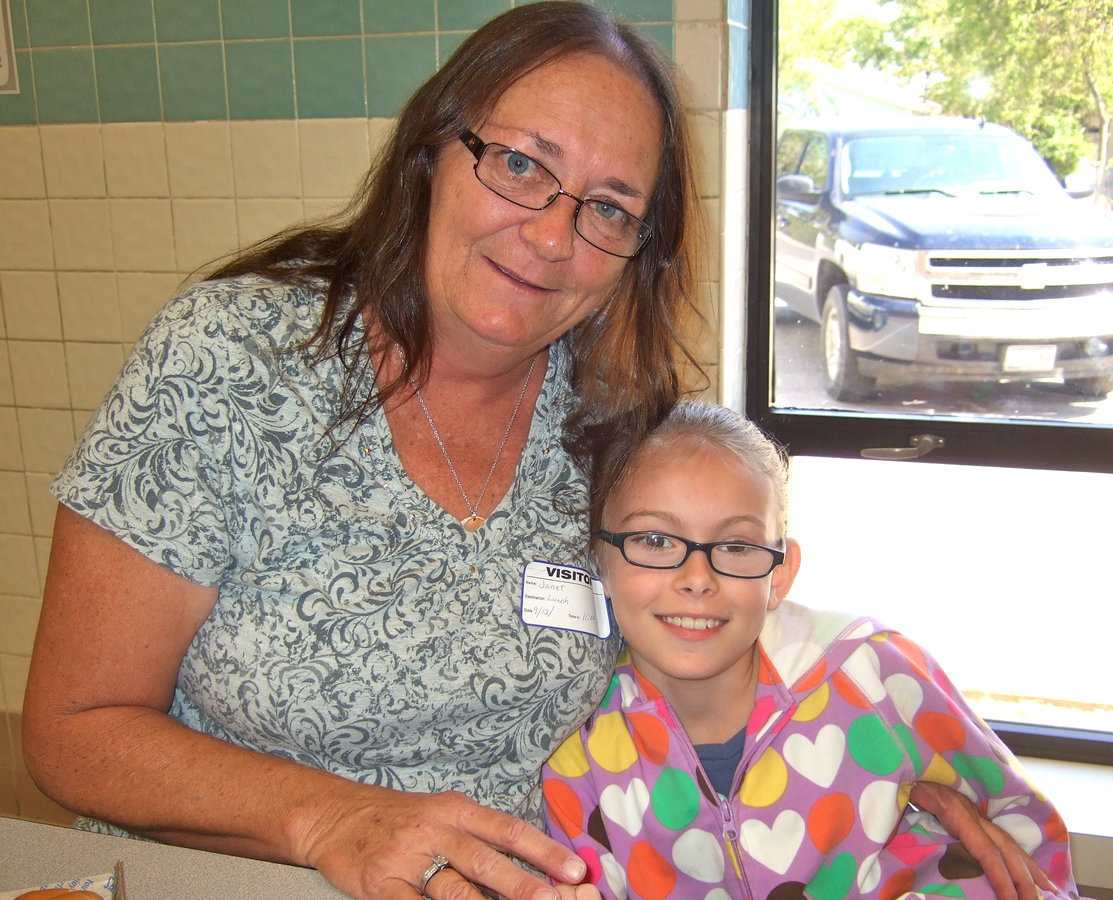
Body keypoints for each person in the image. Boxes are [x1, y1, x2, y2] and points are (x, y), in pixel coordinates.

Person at [22, 4, 700, 900]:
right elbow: (74, 728)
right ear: (432, 151)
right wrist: (335, 817)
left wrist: (873, 751)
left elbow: (703, 638)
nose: (550, 235)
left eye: (608, 209)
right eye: (520, 164)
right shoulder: (234, 359)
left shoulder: (622, 424)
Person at [543, 401, 1086, 900]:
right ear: (600, 563)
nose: (697, 578)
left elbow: (1030, 844)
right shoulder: (575, 739)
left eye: (735, 545)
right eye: (655, 540)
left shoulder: (873, 673)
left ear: (780, 573)